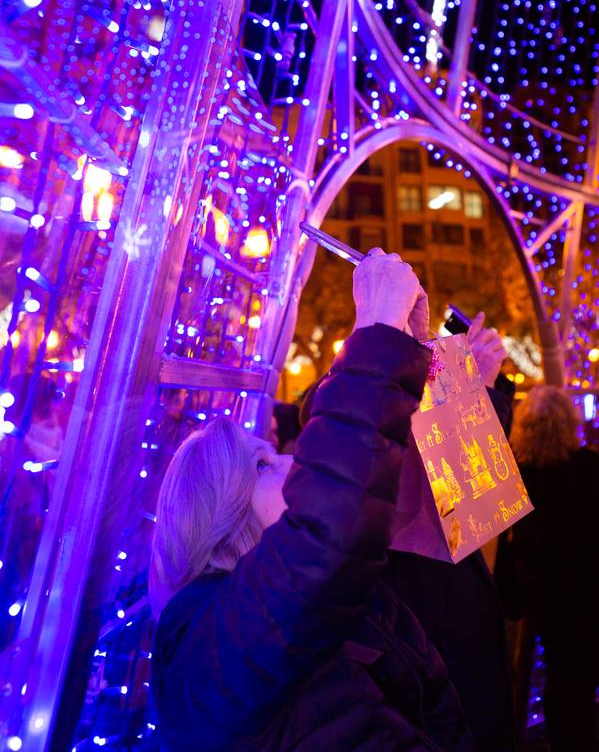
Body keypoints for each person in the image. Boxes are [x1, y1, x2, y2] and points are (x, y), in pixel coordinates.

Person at [150, 250, 475, 751]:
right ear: (220, 518)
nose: (288, 460)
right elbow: (329, 527)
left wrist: (420, 360)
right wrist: (377, 334)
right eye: (261, 464)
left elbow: (431, 481)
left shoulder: (336, 598)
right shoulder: (204, 645)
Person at [386, 313, 516, 752]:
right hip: (433, 612)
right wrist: (467, 386)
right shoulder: (381, 397)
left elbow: (479, 500)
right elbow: (472, 500)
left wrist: (475, 386)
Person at [496, 386, 599, 752]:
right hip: (587, 587)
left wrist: (508, 593)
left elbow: (510, 538)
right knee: (581, 674)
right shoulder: (589, 467)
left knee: (553, 669)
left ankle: (553, 735)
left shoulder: (519, 474)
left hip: (541, 587)